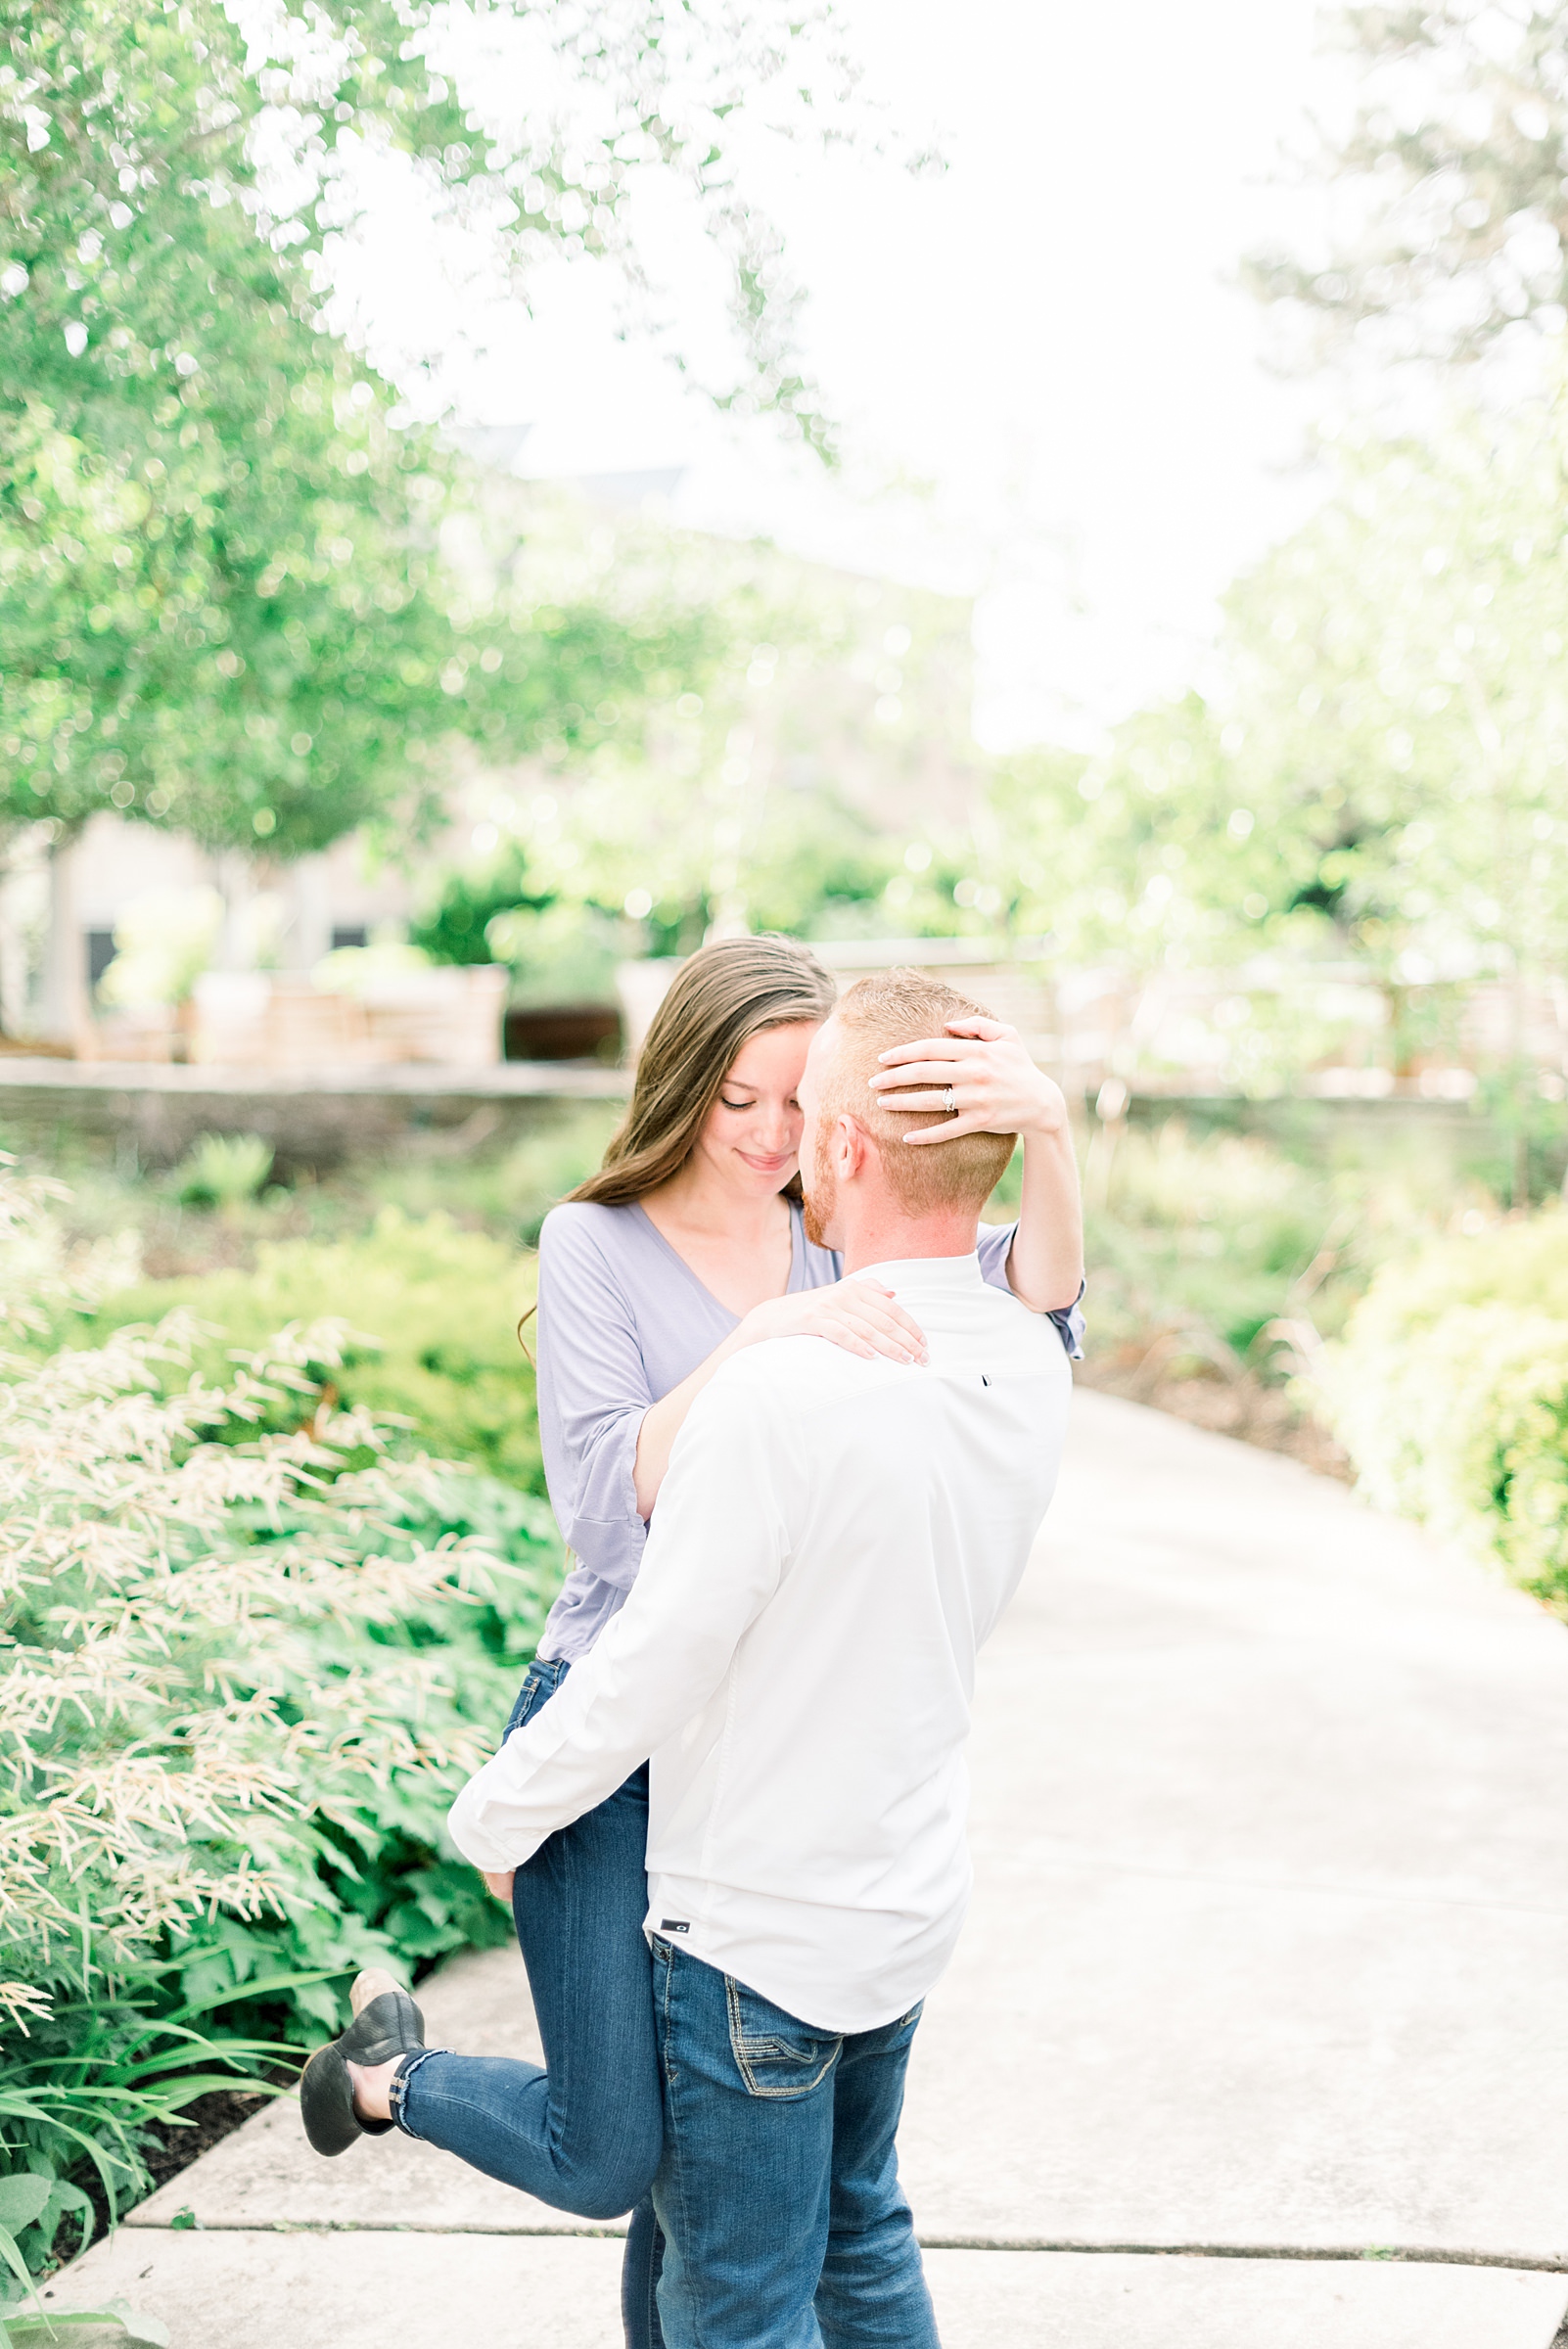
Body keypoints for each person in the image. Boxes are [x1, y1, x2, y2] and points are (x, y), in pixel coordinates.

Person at [299, 941, 1083, 2347]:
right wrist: (767, 1334)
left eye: (798, 1106)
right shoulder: (597, 1245)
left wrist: (1050, 1133)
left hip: (759, 1741)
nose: (773, 1138)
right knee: (614, 2154)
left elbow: (1026, 1304)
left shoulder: (834, 1223)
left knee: (700, 2178)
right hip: (613, 1723)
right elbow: (611, 1524)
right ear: (681, 1087)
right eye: (739, 1100)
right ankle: (382, 2078)